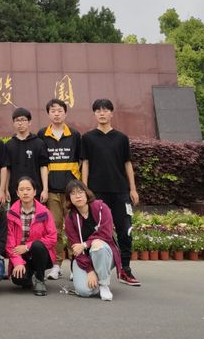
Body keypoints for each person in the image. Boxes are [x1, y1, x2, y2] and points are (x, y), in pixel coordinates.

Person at [81, 98, 141, 287]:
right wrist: (85, 189)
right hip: (96, 192)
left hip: (120, 191)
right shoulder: (88, 138)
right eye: (98, 110)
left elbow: (127, 164)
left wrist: (132, 188)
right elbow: (85, 164)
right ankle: (91, 269)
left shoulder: (121, 138)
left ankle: (125, 269)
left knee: (125, 231)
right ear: (94, 114)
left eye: (105, 110)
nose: (102, 113)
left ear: (111, 113)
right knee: (95, 232)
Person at [37, 98, 81, 280]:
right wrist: (44, 189)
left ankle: (76, 265)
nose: (56, 114)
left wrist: (81, 188)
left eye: (60, 110)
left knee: (74, 228)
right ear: (48, 114)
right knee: (54, 229)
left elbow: (81, 162)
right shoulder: (42, 134)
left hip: (72, 192)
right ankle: (56, 265)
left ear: (65, 113)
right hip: (52, 191)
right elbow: (42, 163)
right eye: (53, 111)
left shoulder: (75, 135)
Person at [64, 179, 122, 301]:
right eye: (73, 193)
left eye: (80, 192)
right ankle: (97, 276)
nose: (78, 196)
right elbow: (76, 248)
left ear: (86, 193)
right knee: (84, 291)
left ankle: (104, 284)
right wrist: (90, 271)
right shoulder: (70, 218)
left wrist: (85, 244)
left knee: (97, 244)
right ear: (69, 198)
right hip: (83, 259)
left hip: (105, 254)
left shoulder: (102, 208)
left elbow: (106, 234)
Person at [6, 177, 57, 296]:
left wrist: (27, 247)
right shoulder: (11, 214)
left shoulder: (44, 212)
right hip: (21, 256)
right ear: (17, 193)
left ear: (34, 192)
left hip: (40, 254)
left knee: (37, 245)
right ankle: (30, 274)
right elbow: (9, 242)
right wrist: (18, 262)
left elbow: (52, 238)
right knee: (19, 279)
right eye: (21, 189)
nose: (25, 192)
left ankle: (40, 279)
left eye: (28, 189)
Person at [5, 107, 49, 201]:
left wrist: (45, 189)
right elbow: (7, 169)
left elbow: (43, 167)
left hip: (35, 191)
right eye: (17, 120)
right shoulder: (9, 145)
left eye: (23, 120)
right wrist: (5, 189)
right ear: (13, 123)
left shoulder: (38, 143)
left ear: (29, 122)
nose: (20, 123)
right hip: (15, 191)